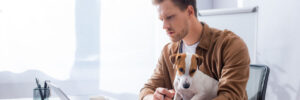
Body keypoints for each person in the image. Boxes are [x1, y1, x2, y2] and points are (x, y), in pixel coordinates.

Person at [139, 0, 250, 100]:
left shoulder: (230, 45)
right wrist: (153, 98)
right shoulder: (168, 51)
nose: (164, 26)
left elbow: (232, 96)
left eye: (169, 17)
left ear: (189, 12)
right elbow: (146, 90)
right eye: (162, 19)